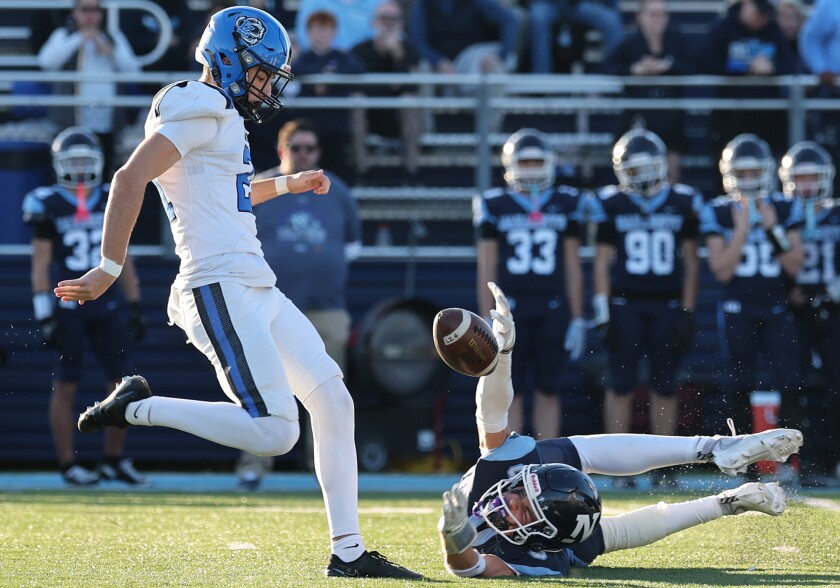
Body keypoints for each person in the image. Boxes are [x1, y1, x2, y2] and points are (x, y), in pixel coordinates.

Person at [54, 7, 419, 579]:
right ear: (227, 59)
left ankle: (348, 552)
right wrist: (107, 267)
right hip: (216, 283)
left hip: (253, 280)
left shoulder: (217, 114)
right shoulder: (201, 104)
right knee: (276, 432)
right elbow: (130, 178)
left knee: (332, 399)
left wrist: (288, 182)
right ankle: (139, 407)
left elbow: (231, 191)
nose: (268, 84)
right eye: (261, 71)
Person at [436, 281, 803, 578]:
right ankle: (718, 463)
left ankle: (723, 482)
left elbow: (473, 567)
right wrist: (502, 356)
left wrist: (453, 540)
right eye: (520, 493)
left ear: (541, 537)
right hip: (554, 505)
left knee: (605, 536)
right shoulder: (511, 474)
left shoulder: (537, 556)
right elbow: (492, 415)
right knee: (599, 516)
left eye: (525, 512)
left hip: (555, 536)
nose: (511, 500)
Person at [236, 118, 361, 489]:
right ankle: (254, 465)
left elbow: (352, 247)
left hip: (326, 307)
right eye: (296, 148)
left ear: (318, 153)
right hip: (268, 306)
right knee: (258, 384)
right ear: (281, 151)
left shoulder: (336, 191)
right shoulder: (260, 188)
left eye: (310, 149)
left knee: (329, 391)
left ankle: (323, 469)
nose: (304, 155)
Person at [23, 126, 148, 487]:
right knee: (66, 386)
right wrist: (44, 311)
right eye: (71, 160)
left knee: (122, 384)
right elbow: (40, 263)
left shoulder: (113, 196)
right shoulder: (45, 200)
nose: (79, 167)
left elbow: (125, 256)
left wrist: (135, 302)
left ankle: (114, 459)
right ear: (58, 163)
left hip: (108, 303)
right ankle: (67, 464)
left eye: (85, 160)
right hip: (67, 305)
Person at [587, 129, 702, 489]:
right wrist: (604, 311)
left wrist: (686, 309)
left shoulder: (682, 201)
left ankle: (664, 467)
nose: (637, 175)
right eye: (631, 169)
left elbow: (691, 262)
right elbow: (602, 261)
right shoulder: (612, 203)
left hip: (667, 303)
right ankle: (617, 467)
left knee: (664, 386)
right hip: (625, 304)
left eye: (644, 167)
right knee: (620, 384)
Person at [474, 128, 585, 440]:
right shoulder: (494, 204)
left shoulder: (566, 201)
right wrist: (486, 314)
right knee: (512, 390)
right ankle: (516, 461)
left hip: (553, 305)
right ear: (511, 165)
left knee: (549, 389)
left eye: (538, 162)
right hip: (510, 310)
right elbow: (487, 263)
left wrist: (577, 317)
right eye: (526, 163)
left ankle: (548, 457)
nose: (532, 169)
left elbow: (573, 262)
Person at [699, 133, 804, 439]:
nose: (747, 179)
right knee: (738, 382)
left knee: (789, 381)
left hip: (776, 304)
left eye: (754, 172)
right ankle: (741, 456)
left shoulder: (784, 207)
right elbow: (722, 271)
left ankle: (788, 459)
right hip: (737, 307)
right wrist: (742, 230)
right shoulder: (718, 210)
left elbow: (794, 263)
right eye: (741, 172)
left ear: (766, 172)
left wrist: (772, 228)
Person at [779, 141, 840, 484]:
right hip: (793, 309)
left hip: (834, 307)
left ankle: (835, 462)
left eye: (812, 178)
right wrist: (789, 291)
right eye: (800, 179)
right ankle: (791, 464)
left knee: (838, 387)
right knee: (791, 386)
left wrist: (831, 294)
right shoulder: (783, 213)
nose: (806, 186)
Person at [37, 0, 141, 180]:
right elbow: (46, 62)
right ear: (74, 12)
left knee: (104, 171)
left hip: (106, 120)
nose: (90, 15)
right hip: (72, 120)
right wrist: (79, 38)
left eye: (95, 9)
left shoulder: (113, 37)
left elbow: (133, 71)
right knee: (66, 174)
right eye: (84, 9)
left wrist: (111, 51)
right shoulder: (64, 35)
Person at [600, 0, 695, 184]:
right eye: (652, 14)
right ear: (640, 17)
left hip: (670, 118)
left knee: (670, 176)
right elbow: (607, 68)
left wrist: (667, 66)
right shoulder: (629, 43)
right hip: (637, 118)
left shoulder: (677, 40)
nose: (657, 20)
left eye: (662, 14)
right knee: (635, 176)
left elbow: (695, 65)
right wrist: (633, 70)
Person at [698, 0, 795, 159]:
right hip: (730, 115)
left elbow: (789, 64)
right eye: (759, 11)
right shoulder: (723, 27)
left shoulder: (772, 29)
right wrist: (744, 68)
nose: (762, 17)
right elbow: (705, 63)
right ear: (746, 3)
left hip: (767, 117)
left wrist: (772, 67)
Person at [350, 0, 422, 182]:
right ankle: (362, 172)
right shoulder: (359, 51)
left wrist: (398, 56)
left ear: (402, 23)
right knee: (356, 101)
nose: (389, 24)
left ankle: (412, 173)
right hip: (368, 115)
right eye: (384, 18)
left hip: (398, 117)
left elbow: (412, 86)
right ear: (374, 22)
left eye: (394, 19)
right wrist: (391, 85)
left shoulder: (410, 50)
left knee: (409, 102)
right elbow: (356, 87)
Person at [292, 10, 366, 183]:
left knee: (338, 172)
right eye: (318, 29)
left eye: (326, 30)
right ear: (309, 33)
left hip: (338, 126)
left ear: (334, 33)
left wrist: (329, 81)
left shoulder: (342, 57)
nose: (322, 35)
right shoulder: (304, 59)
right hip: (310, 126)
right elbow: (297, 71)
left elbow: (358, 69)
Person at [528, 0, 624, 74]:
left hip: (579, 5)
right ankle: (542, 77)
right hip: (549, 5)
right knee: (537, 18)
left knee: (611, 21)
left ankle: (616, 74)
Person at [295, 0, 384, 53]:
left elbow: (379, 39)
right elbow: (304, 36)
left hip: (365, 68)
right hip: (321, 65)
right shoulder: (313, 2)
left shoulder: (380, 3)